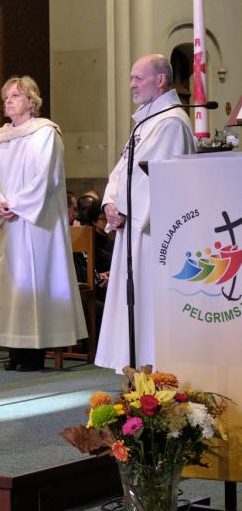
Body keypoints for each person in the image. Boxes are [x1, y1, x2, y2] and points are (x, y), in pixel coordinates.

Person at [0, 76, 87, 372]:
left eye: (14, 95)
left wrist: (17, 204)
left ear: (31, 100)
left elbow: (47, 177)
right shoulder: (1, 139)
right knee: (13, 287)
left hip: (36, 225)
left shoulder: (45, 134)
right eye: (5, 98)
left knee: (35, 284)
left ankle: (35, 353)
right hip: (9, 226)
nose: (8, 101)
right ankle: (15, 349)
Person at [95, 54, 195, 373]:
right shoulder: (148, 121)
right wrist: (109, 203)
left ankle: (152, 369)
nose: (131, 85)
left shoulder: (171, 123)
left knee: (147, 302)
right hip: (132, 225)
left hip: (151, 233)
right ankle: (133, 369)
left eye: (138, 78)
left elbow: (156, 180)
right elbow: (122, 170)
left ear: (161, 80)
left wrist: (122, 208)